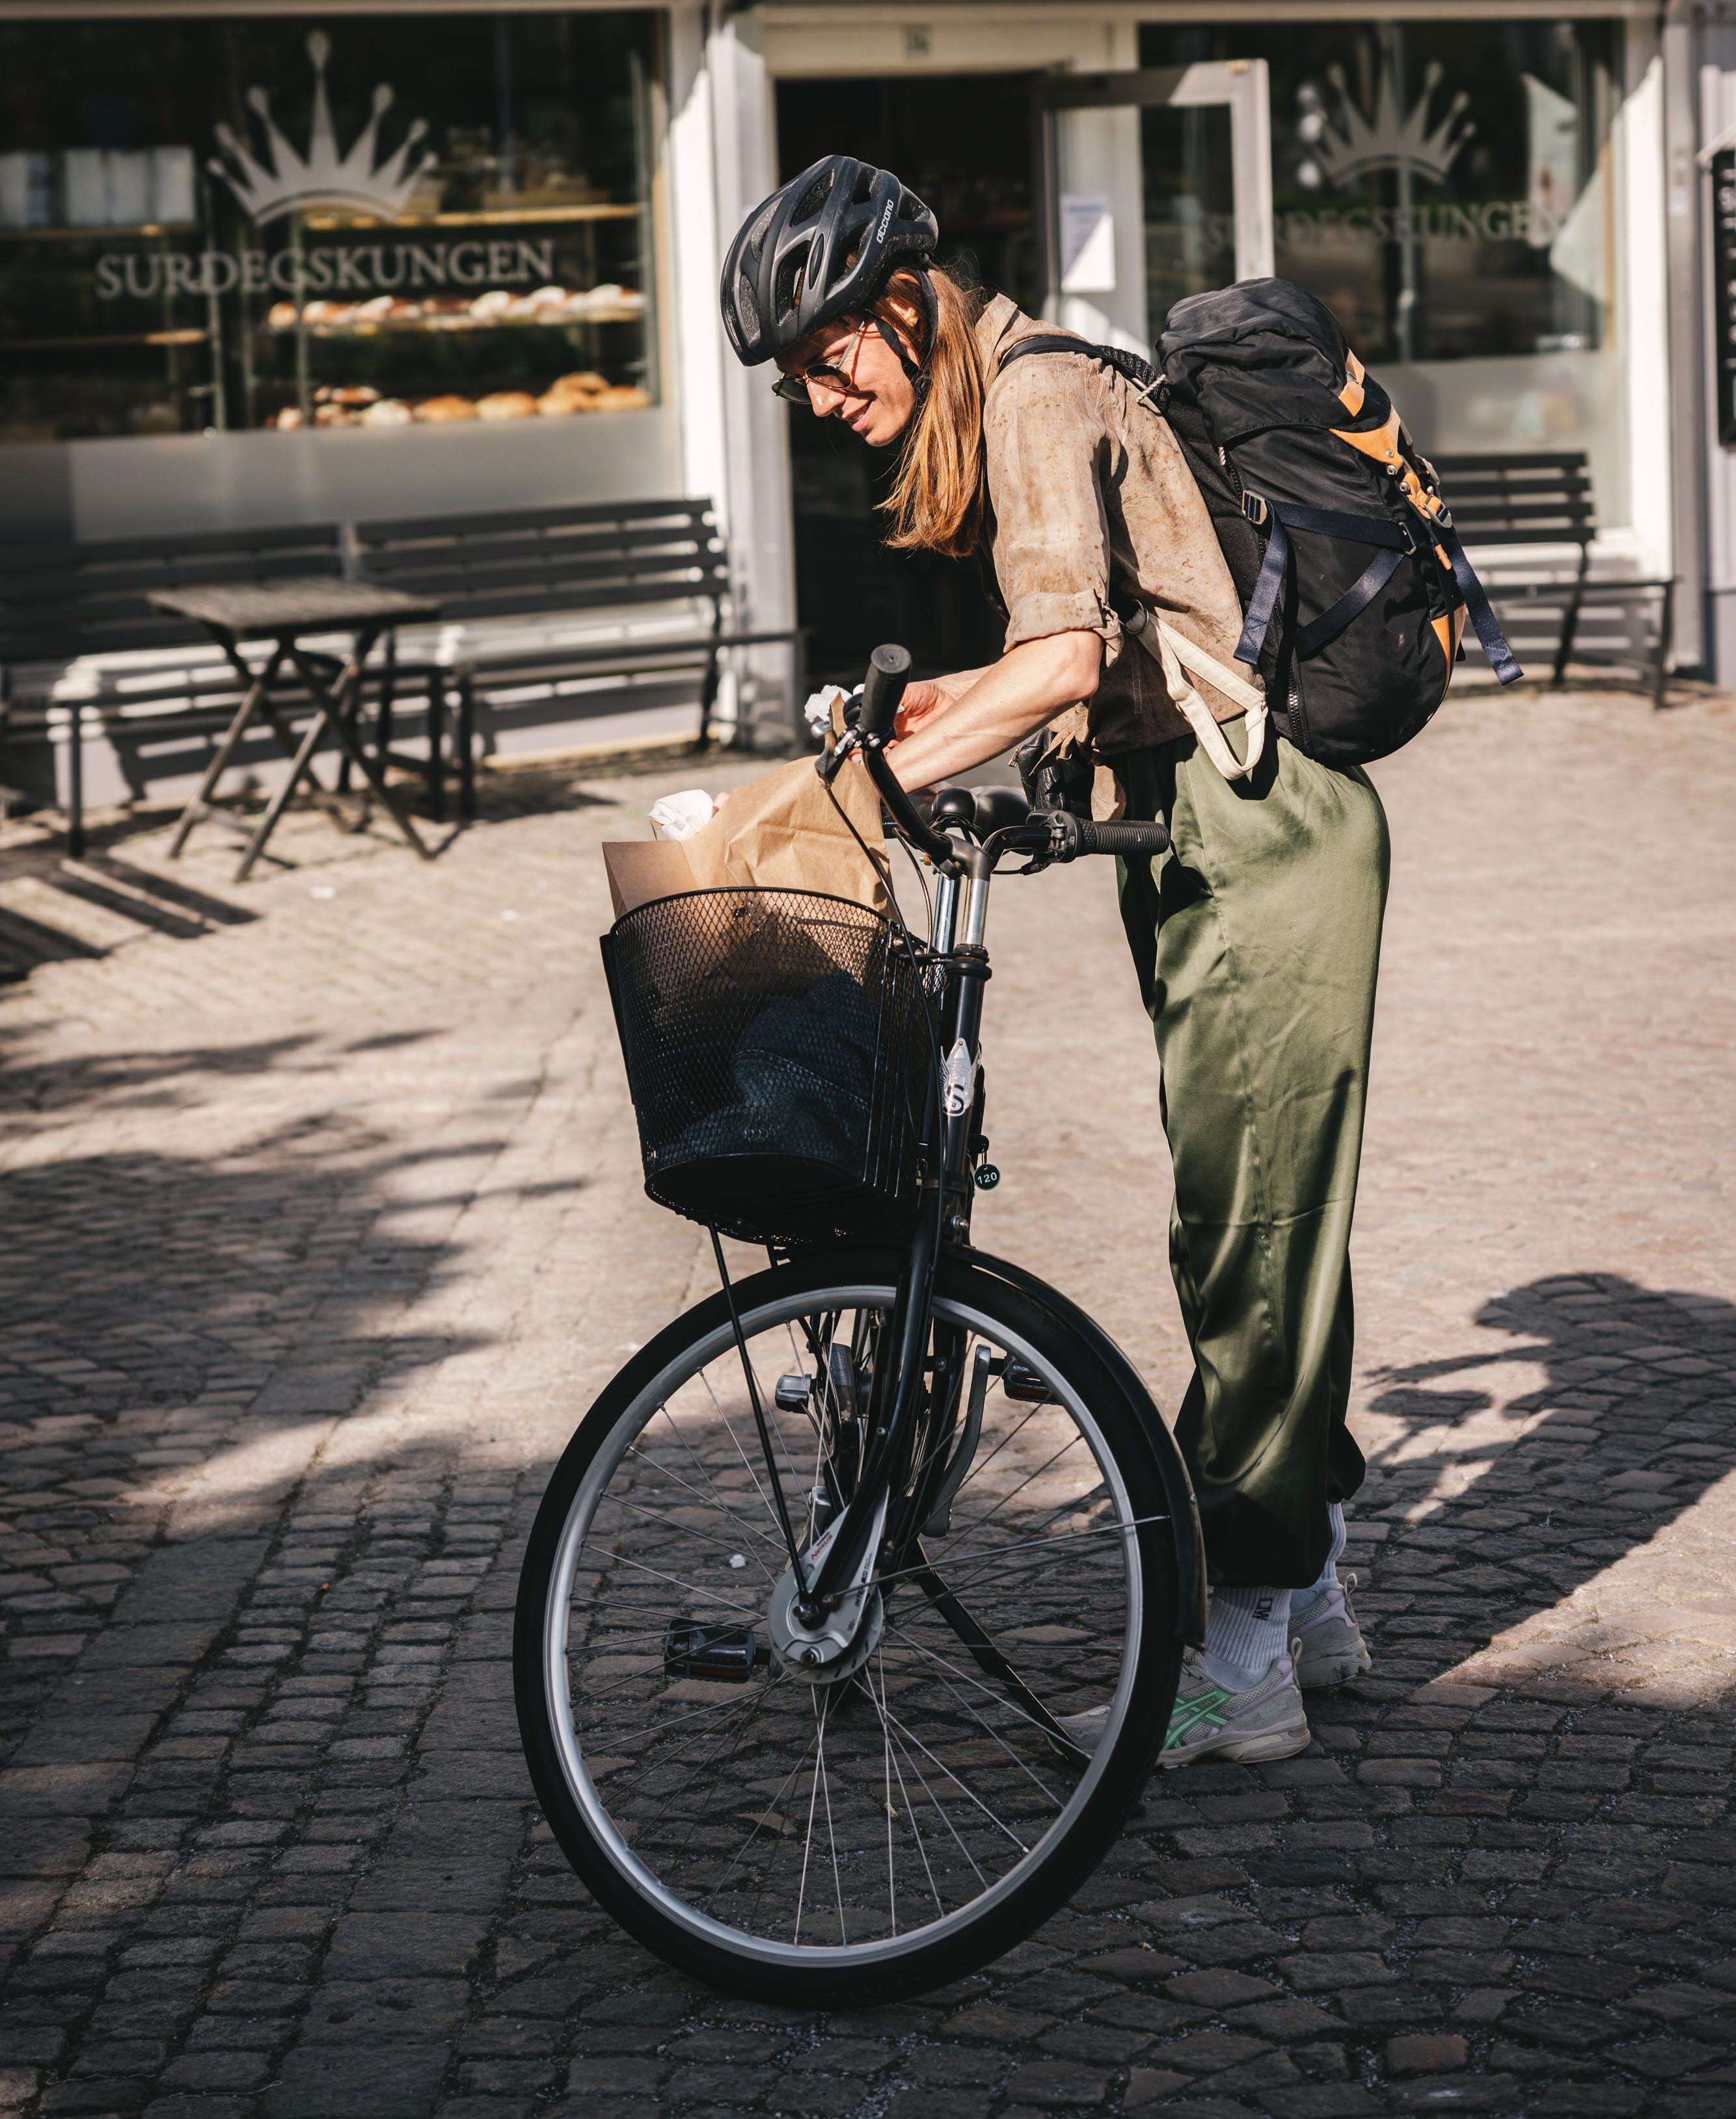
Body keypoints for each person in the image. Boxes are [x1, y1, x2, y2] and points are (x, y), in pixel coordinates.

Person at [720, 155, 1382, 1767]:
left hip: (1261, 830)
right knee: (1251, 1217)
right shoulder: (1042, 383)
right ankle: (1307, 1599)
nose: (819, 398)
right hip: (1208, 830)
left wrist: (856, 790)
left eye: (827, 359)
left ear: (898, 304)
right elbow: (1068, 659)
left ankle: (1240, 1662)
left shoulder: (1027, 397)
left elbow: (1064, 655)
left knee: (1252, 1233)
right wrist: (912, 720)